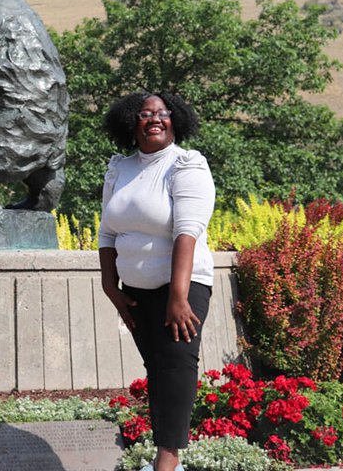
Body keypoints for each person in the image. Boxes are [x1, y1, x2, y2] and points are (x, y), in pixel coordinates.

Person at [98, 91, 216, 471]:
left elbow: (187, 232)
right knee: (157, 368)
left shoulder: (186, 165)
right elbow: (107, 232)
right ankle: (166, 459)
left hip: (181, 287)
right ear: (130, 122)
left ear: (175, 120)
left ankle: (168, 461)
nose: (154, 119)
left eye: (163, 113)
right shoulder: (120, 168)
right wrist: (110, 286)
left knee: (176, 365)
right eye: (145, 114)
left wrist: (178, 297)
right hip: (135, 291)